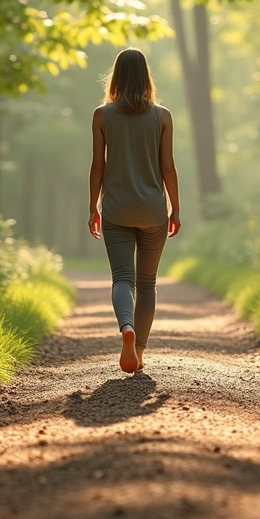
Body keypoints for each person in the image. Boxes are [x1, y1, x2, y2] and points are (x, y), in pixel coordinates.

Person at [87, 48, 182, 374]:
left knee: (122, 279)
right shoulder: (163, 116)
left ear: (116, 76)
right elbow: (167, 167)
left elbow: (98, 166)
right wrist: (176, 209)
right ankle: (139, 350)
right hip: (153, 210)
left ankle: (126, 328)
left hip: (116, 209)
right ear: (146, 77)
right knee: (148, 283)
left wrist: (92, 208)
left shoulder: (102, 115)